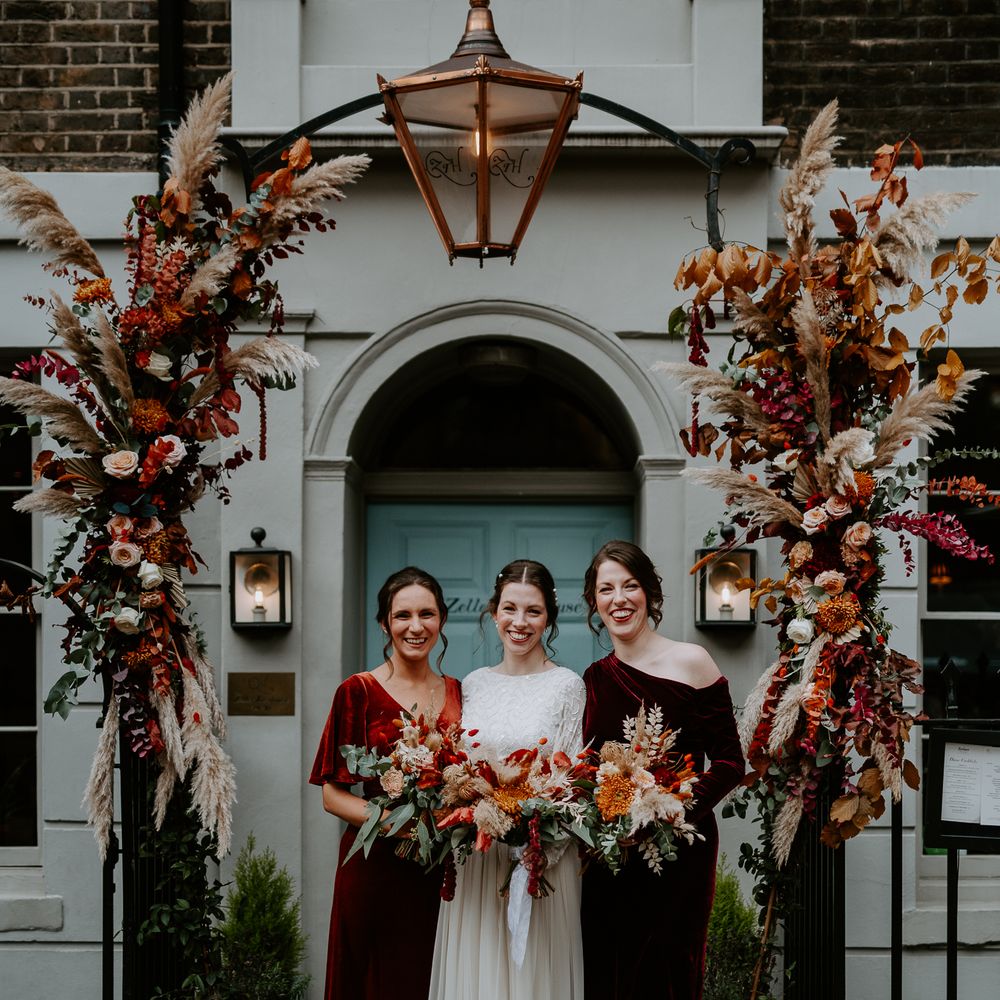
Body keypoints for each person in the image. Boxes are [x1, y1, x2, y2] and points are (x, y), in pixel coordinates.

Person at [580, 541, 745, 1000]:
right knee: (608, 972)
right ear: (595, 602)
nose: (619, 599)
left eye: (630, 586)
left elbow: (731, 762)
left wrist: (667, 810)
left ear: (650, 594)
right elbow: (589, 769)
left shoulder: (691, 661)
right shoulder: (594, 678)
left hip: (677, 852)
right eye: (606, 589)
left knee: (664, 973)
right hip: (610, 856)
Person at [429, 559, 586, 1000]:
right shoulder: (474, 684)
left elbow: (569, 779)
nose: (520, 623)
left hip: (537, 856)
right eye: (510, 609)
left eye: (533, 611)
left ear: (549, 618)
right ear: (494, 612)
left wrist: (537, 849)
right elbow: (458, 767)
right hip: (477, 858)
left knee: (534, 977)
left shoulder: (567, 686)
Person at [309, 566, 462, 1000]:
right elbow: (331, 796)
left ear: (442, 621)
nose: (416, 627)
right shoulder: (356, 691)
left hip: (437, 871)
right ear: (384, 623)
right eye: (402, 616)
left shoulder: (458, 692)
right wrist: (401, 823)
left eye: (427, 614)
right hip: (374, 865)